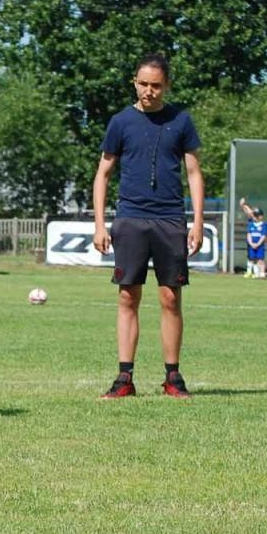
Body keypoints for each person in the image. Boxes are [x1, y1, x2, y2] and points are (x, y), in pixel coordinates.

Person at [92, 55, 204, 399]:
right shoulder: (120, 122)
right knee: (128, 296)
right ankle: (124, 378)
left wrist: (198, 222)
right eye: (143, 84)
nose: (149, 91)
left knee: (170, 297)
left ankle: (173, 377)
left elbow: (194, 173)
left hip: (170, 218)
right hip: (131, 217)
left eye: (156, 85)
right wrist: (100, 224)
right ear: (134, 82)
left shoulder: (181, 120)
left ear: (166, 85)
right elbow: (103, 174)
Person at [238, 198, 267, 279]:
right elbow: (249, 212)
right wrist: (243, 205)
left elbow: (263, 235)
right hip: (251, 244)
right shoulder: (251, 222)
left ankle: (258, 273)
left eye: (256, 215)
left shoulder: (262, 224)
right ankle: (250, 272)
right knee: (251, 257)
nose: (253, 216)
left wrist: (258, 244)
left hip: (259, 245)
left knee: (259, 259)